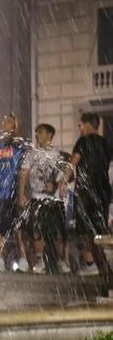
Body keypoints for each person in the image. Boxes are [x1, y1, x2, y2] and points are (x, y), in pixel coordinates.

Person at [18, 123, 71, 274]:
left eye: (40, 132)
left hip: (54, 200)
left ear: (49, 135)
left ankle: (60, 260)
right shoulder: (32, 154)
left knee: (57, 232)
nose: (37, 135)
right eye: (36, 133)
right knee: (37, 232)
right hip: (37, 198)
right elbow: (24, 173)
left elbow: (64, 177)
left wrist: (55, 184)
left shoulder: (58, 155)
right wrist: (21, 194)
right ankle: (41, 261)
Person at [0, 114, 29, 272]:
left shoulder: (19, 146)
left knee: (17, 228)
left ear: (15, 126)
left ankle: (23, 259)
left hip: (13, 193)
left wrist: (21, 193)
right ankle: (0, 260)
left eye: (8, 121)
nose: (4, 123)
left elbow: (24, 170)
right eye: (3, 121)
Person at [71, 112, 111, 275]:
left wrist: (62, 180)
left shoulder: (83, 141)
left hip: (86, 191)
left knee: (85, 229)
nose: (79, 129)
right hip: (103, 191)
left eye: (80, 125)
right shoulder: (106, 143)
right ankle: (105, 262)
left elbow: (73, 162)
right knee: (100, 228)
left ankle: (90, 263)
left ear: (88, 125)